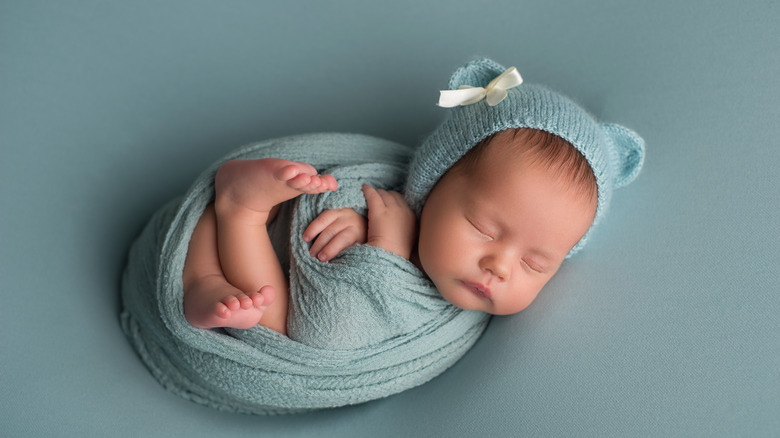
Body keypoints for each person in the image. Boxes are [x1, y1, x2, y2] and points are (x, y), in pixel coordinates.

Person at [181, 58, 644, 335]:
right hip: (261, 237)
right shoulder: (382, 196)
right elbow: (323, 325)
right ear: (433, 183)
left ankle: (206, 282)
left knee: (279, 316)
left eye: (535, 264)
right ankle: (240, 210)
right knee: (288, 322)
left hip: (248, 287)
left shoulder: (452, 319)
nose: (499, 267)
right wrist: (372, 232)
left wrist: (384, 248)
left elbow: (368, 321)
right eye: (483, 229)